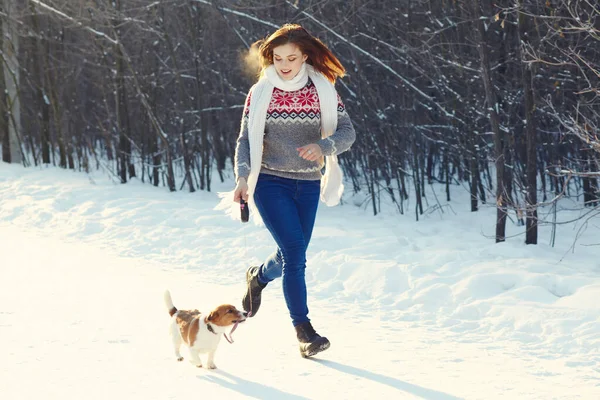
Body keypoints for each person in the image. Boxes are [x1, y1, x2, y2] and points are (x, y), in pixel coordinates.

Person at [231, 24, 356, 358]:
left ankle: (258, 277)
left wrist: (324, 145)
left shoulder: (323, 89)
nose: (284, 64)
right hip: (270, 182)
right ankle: (304, 331)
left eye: (291, 57)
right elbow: (245, 140)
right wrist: (243, 178)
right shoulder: (261, 93)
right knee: (296, 253)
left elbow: (347, 132)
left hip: (308, 183)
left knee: (292, 253)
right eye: (278, 57)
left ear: (304, 56)